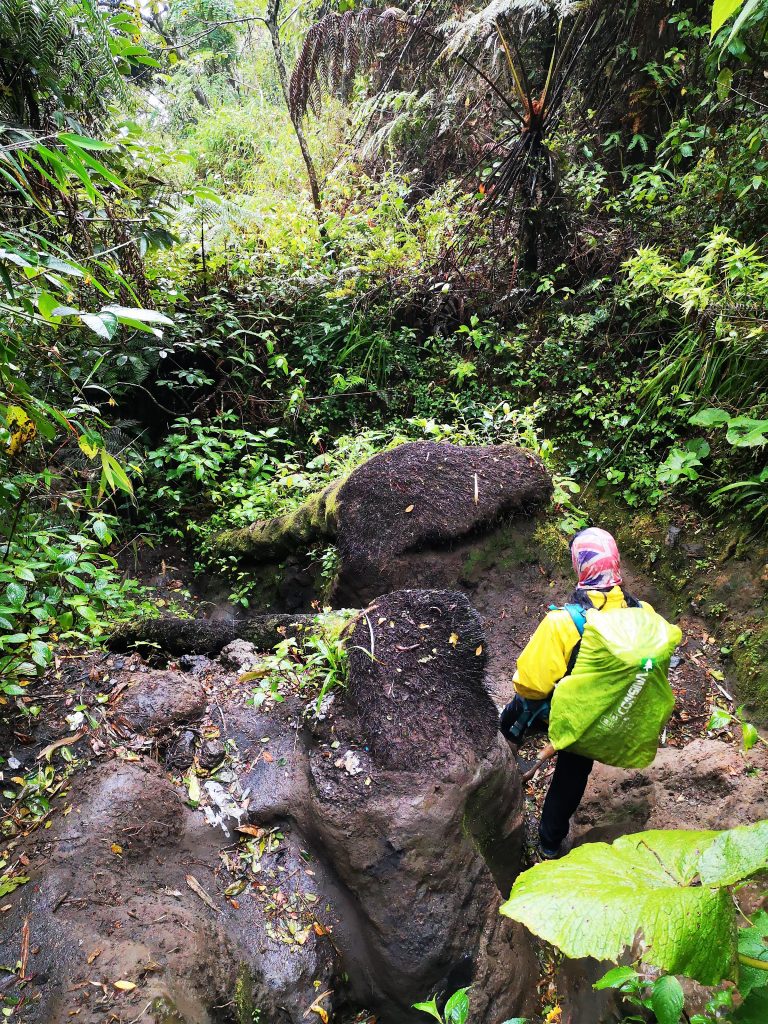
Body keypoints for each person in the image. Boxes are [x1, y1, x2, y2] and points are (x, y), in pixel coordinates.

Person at [503, 526, 649, 859]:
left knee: (517, 708)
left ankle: (505, 757)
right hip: (603, 717)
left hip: (561, 711)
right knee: (573, 773)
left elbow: (530, 684)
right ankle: (550, 844)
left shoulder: (563, 623)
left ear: (579, 566)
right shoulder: (642, 614)